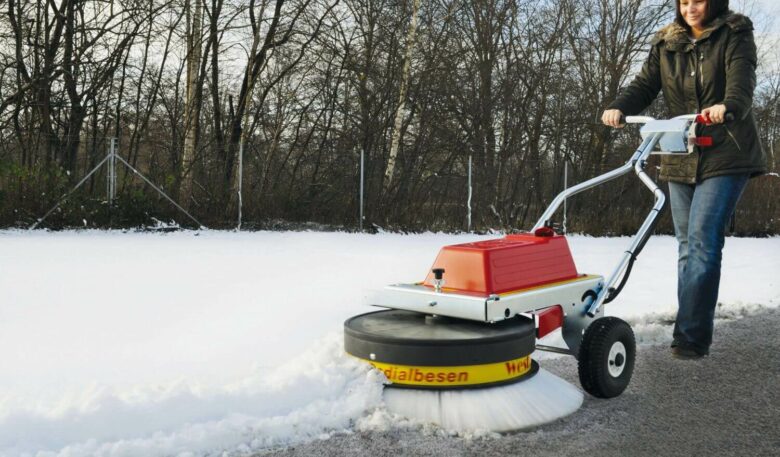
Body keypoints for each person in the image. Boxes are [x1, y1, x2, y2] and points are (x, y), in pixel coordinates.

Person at [602, 0, 766, 359]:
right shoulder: (665, 43)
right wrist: (620, 106)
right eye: (685, 2)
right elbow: (645, 84)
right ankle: (689, 329)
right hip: (680, 152)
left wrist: (728, 106)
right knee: (685, 247)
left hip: (727, 151)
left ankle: (691, 337)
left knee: (703, 243)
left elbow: (742, 80)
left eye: (699, 1)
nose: (691, 8)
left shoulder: (734, 33)